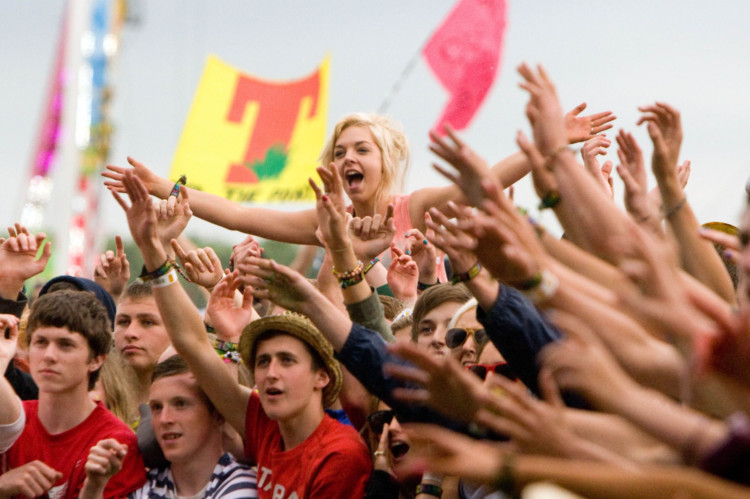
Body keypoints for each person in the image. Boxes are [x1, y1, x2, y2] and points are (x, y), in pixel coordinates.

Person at [113, 171, 371, 498]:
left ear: (322, 375)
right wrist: (153, 250)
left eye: (286, 360)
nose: (270, 373)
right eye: (262, 362)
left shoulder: (340, 454)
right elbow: (192, 346)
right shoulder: (263, 421)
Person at [0, 290, 145, 498]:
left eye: (65, 345)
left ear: (96, 360)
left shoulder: (115, 442)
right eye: (41, 342)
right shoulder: (8, 421)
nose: (49, 355)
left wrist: (94, 486)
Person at [83, 355, 258, 498]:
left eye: (181, 404)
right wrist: (94, 487)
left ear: (218, 415)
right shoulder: (143, 487)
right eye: (157, 408)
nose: (164, 419)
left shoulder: (242, 486)